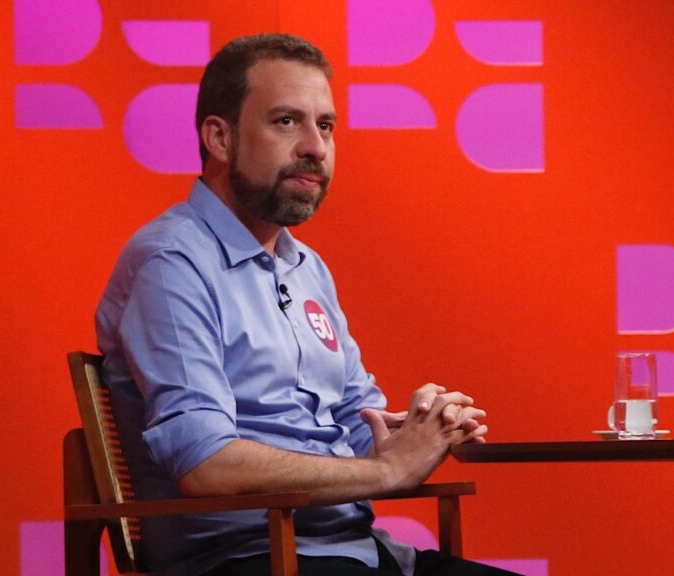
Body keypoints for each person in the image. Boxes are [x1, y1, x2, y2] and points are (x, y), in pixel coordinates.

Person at [96, 33, 516, 576]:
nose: (315, 147)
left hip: (356, 551)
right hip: (251, 559)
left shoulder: (306, 266)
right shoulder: (172, 262)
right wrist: (389, 471)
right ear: (219, 138)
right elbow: (206, 463)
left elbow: (358, 426)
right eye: (286, 121)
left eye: (326, 126)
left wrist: (422, 431)